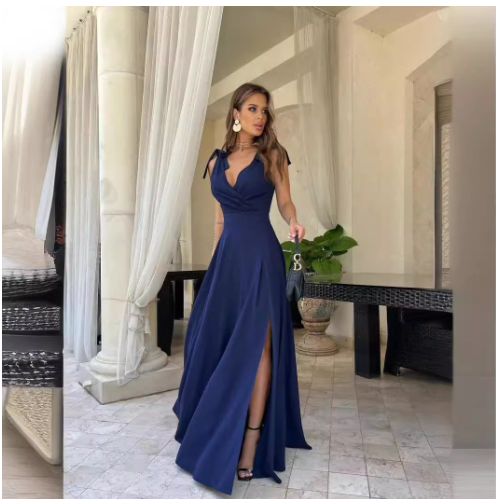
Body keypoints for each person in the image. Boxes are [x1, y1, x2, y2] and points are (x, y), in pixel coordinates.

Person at [172, 82, 312, 495]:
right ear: (235, 112)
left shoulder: (273, 155)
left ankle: (251, 440)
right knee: (208, 340)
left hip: (261, 256)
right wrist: (216, 263)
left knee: (259, 346)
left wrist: (293, 219)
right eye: (252, 108)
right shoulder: (215, 162)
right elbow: (220, 218)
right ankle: (215, 423)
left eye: (264, 110)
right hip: (227, 261)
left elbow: (284, 201)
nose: (260, 116)